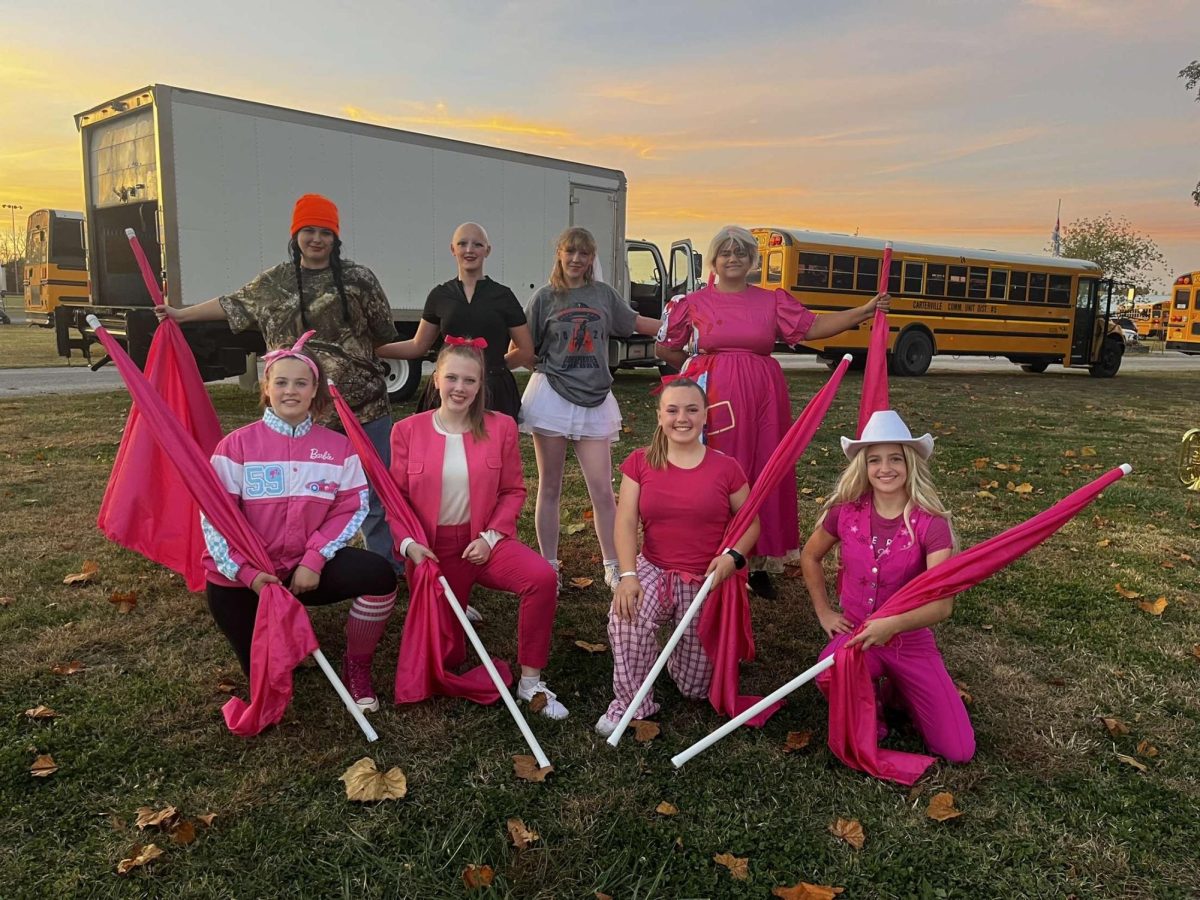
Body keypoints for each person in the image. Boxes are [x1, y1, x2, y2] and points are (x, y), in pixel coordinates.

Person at [155, 193, 401, 571]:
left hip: (365, 410)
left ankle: (386, 566)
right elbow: (231, 304)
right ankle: (297, 562)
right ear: (295, 234)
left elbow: (382, 332)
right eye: (309, 231)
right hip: (302, 418)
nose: (317, 239)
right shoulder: (275, 282)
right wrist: (180, 315)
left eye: (325, 232)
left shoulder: (360, 279)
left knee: (376, 494)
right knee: (301, 498)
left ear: (336, 238)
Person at [656, 225, 890, 600]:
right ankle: (713, 552)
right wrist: (696, 372)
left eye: (742, 253)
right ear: (713, 260)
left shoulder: (771, 301)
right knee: (718, 469)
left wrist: (862, 311)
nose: (734, 258)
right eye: (726, 252)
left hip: (764, 397)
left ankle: (755, 559)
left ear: (752, 260)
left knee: (764, 468)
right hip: (713, 397)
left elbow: (813, 327)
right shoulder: (693, 303)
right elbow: (667, 349)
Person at [201, 333, 397, 712]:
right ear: (266, 387)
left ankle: (356, 664)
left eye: (301, 383)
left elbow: (351, 507)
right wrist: (249, 576)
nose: (291, 391)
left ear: (315, 391)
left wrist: (314, 559)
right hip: (245, 580)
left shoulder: (339, 448)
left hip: (305, 569)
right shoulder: (235, 447)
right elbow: (215, 521)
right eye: (281, 382)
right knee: (267, 674)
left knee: (380, 575)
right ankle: (278, 638)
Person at [389, 341, 567, 718]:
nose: (459, 387)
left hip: (485, 542)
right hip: (433, 551)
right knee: (449, 655)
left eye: (469, 380)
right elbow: (397, 501)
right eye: (451, 377)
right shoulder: (406, 431)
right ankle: (458, 605)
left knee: (541, 578)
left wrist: (490, 538)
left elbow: (513, 491)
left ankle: (531, 682)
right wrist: (408, 545)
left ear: (480, 384)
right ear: (436, 378)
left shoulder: (500, 427)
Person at [800, 409, 974, 763]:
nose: (885, 468)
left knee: (957, 750)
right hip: (859, 635)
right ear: (863, 467)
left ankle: (900, 691)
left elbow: (942, 606)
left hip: (909, 642)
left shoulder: (931, 523)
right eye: (875, 460)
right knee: (829, 672)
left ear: (910, 463)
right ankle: (873, 714)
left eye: (896, 458)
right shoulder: (846, 512)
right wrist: (824, 612)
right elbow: (810, 556)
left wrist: (892, 624)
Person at [595, 379, 759, 736]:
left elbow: (751, 525)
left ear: (705, 417)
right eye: (672, 410)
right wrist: (627, 576)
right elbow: (624, 523)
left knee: (695, 688)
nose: (681, 418)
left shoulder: (726, 468)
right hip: (654, 567)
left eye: (691, 409)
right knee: (627, 616)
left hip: (706, 577)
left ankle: (673, 658)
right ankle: (631, 702)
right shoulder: (640, 462)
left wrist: (733, 556)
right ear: (659, 416)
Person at [521, 226, 660, 590]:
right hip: (551, 395)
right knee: (549, 487)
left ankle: (613, 565)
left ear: (591, 258)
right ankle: (547, 566)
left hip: (595, 398)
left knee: (601, 489)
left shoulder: (603, 295)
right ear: (560, 254)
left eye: (584, 254)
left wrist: (679, 327)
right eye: (570, 252)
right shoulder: (545, 298)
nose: (576, 259)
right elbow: (525, 347)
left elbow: (635, 324)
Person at [376, 222, 534, 421]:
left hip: (493, 391)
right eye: (462, 244)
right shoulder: (440, 295)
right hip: (449, 389)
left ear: (487, 250)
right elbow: (418, 346)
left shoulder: (503, 296)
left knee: (490, 450)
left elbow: (526, 350)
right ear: (453, 249)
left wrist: (494, 369)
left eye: (477, 244)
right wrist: (373, 349)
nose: (469, 250)